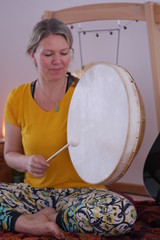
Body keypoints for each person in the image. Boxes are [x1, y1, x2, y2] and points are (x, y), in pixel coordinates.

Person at [1, 18, 137, 239]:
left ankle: (51, 218)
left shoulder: (88, 93)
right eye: (48, 54)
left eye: (64, 53)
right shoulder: (17, 97)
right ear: (32, 55)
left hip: (81, 193)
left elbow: (109, 147)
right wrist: (26, 162)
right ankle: (29, 222)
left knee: (122, 212)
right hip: (34, 193)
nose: (58, 61)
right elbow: (9, 154)